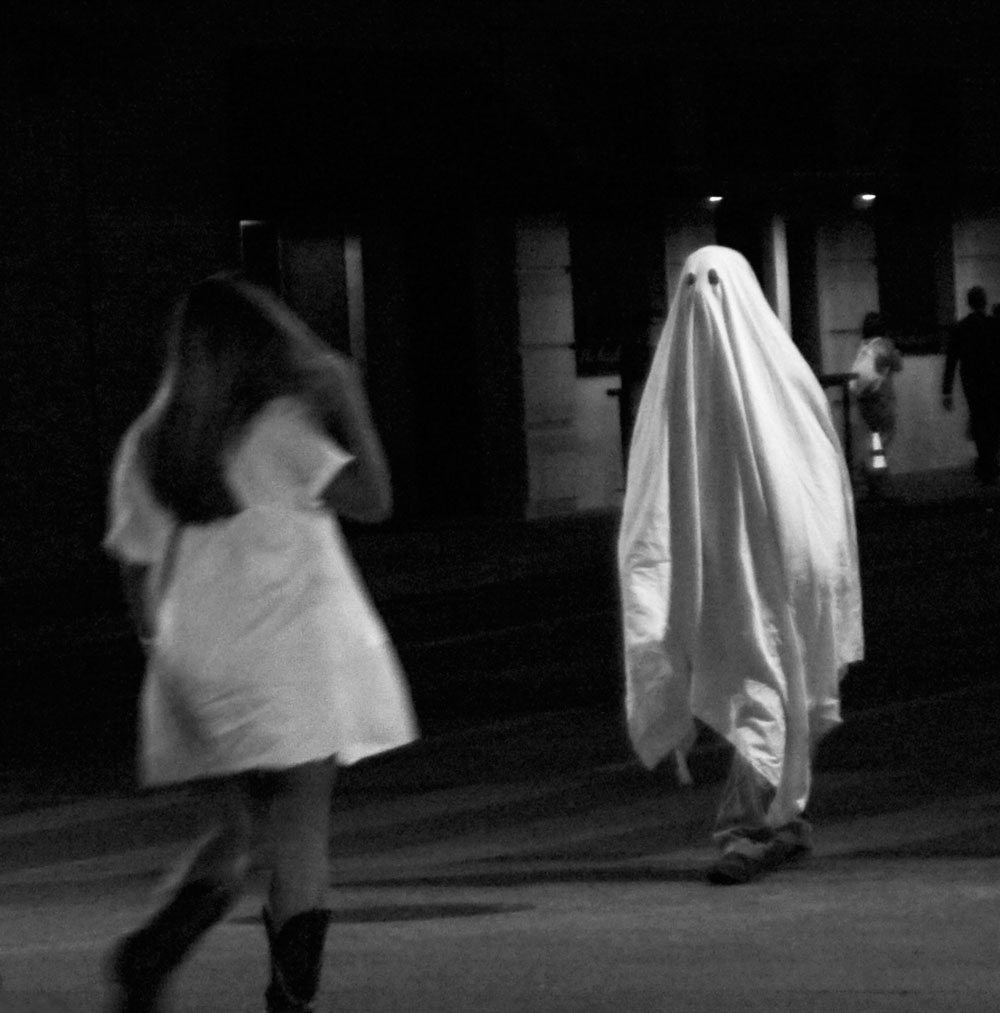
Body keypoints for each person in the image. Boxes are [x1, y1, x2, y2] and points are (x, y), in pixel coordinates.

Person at [102, 273, 418, 1011]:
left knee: (231, 826)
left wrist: (162, 650)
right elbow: (374, 500)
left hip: (198, 659)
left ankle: (152, 949)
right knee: (301, 831)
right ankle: (288, 999)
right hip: (293, 653)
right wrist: (347, 397)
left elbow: (134, 563)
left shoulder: (150, 440)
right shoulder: (280, 427)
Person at [618, 246, 863, 885]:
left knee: (766, 690)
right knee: (761, 688)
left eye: (717, 286)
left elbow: (819, 477)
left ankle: (750, 828)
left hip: (781, 573)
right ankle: (777, 822)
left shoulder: (782, 382)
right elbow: (654, 492)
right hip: (716, 577)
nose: (706, 300)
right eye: (694, 287)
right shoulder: (676, 391)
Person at [942, 285, 1000, 484]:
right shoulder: (993, 325)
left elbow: (951, 360)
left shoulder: (961, 328)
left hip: (972, 381)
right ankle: (990, 462)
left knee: (978, 418)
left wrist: (946, 391)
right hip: (993, 379)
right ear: (984, 302)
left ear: (969, 303)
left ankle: (985, 461)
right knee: (992, 420)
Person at [850, 311, 903, 496]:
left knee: (874, 439)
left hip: (865, 400)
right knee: (883, 438)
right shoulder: (884, 345)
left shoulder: (864, 346)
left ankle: (873, 477)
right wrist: (894, 350)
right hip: (882, 399)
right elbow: (898, 365)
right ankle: (873, 475)